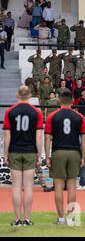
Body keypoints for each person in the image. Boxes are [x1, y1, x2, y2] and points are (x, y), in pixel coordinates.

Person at [44, 90, 85, 225]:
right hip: (74, 152)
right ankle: (70, 218)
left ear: (59, 100)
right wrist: (83, 157)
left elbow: (47, 138)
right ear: (73, 101)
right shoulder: (79, 116)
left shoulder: (52, 116)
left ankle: (61, 218)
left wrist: (47, 156)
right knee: (71, 186)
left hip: (58, 152)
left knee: (58, 186)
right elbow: (84, 139)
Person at [3, 86, 44, 226]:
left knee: (15, 186)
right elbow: (39, 135)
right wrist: (39, 154)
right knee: (28, 186)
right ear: (30, 95)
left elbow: (7, 134)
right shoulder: (36, 112)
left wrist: (5, 154)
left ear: (17, 95)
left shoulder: (10, 111)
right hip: (29, 150)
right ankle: (27, 219)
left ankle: (17, 219)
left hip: (14, 149)